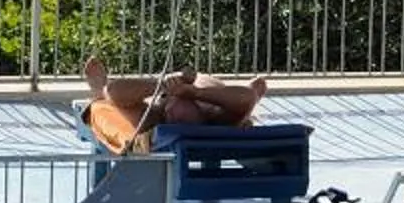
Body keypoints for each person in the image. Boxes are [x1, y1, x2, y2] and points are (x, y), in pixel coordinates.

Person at [82, 56, 266, 128]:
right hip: (184, 92)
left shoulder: (215, 114)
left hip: (200, 94)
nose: (172, 113)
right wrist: (162, 86)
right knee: (255, 88)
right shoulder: (161, 110)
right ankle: (100, 92)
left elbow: (247, 97)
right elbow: (115, 90)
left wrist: (194, 93)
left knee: (253, 91)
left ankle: (100, 93)